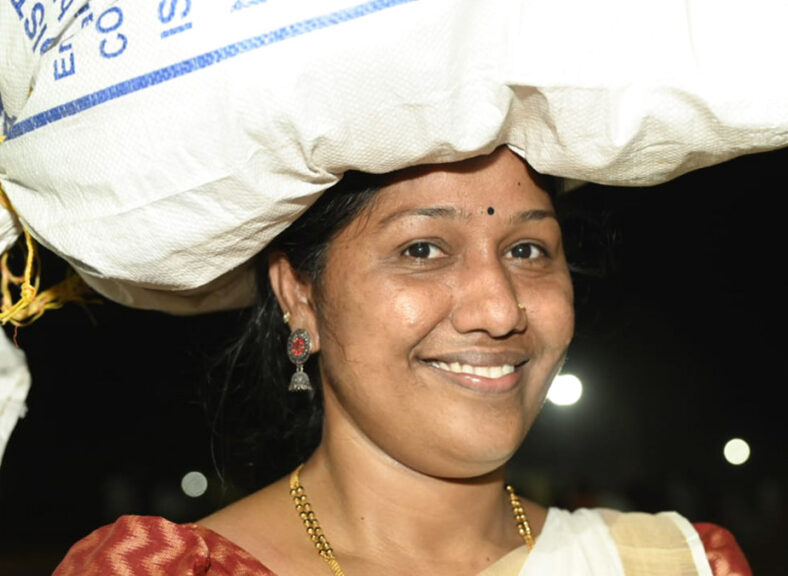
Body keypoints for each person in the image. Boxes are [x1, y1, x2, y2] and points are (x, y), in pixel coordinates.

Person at [54, 147, 751, 575]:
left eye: (527, 251)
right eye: (422, 250)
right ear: (299, 294)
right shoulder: (164, 570)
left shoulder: (674, 564)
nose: (500, 309)